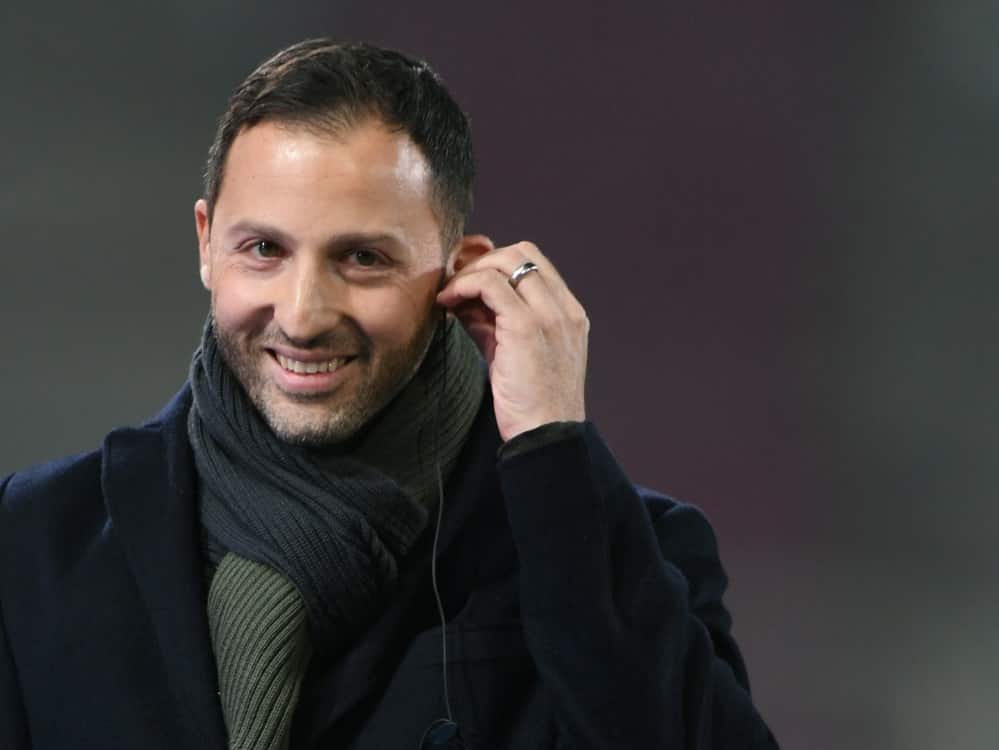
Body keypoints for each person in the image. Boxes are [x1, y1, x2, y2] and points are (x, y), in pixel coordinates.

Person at [0, 39, 778, 749]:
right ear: (207, 242)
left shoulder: (615, 548)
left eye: (363, 259)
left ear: (459, 269)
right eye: (263, 249)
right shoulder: (31, 542)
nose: (302, 316)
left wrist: (550, 443)